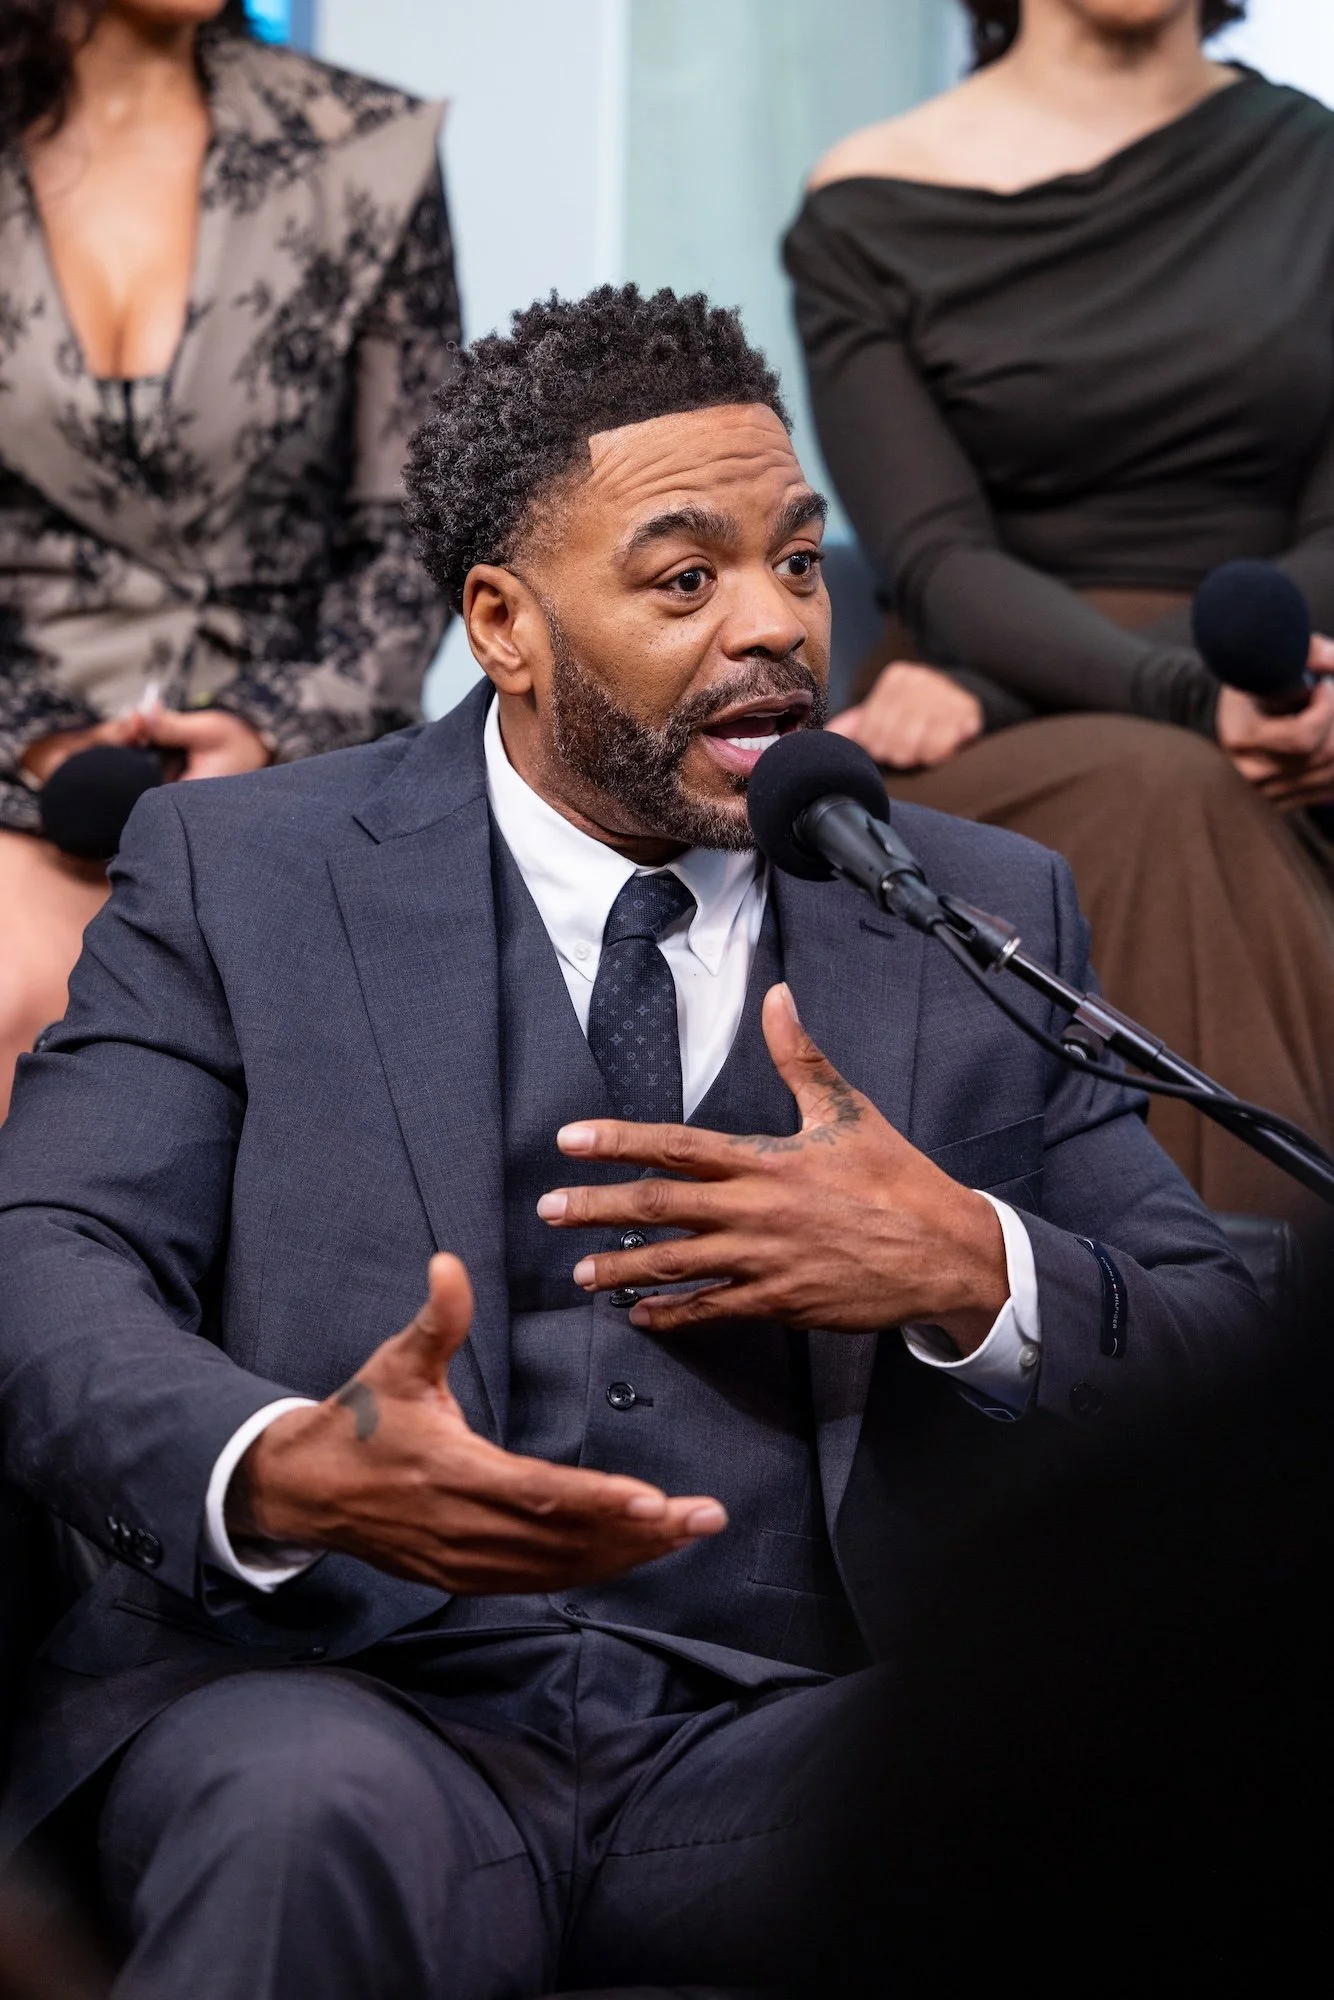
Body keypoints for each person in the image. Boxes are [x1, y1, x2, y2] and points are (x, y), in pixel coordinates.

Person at [0, 285, 1266, 1999]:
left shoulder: (969, 910)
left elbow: (1223, 1342)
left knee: (1126, 1787)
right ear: (502, 625)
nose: (775, 626)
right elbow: (46, 1255)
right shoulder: (244, 873)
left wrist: (968, 1266)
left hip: (783, 1741)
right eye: (685, 580)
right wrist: (277, 1464)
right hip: (343, 1701)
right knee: (302, 1819)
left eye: (797, 562)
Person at [784, 0, 1334, 1220]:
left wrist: (1275, 686)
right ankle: (1237, 1316)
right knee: (1170, 791)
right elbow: (939, 561)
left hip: (1282, 682)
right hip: (989, 700)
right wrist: (1179, 696)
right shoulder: (867, 202)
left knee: (1195, 783)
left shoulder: (1313, 167)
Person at [0, 0, 460, 1116]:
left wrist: (265, 729)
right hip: (22, 754)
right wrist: (47, 746)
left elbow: (415, 532)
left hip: (303, 760)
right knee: (22, 989)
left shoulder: (364, 147)